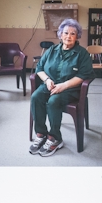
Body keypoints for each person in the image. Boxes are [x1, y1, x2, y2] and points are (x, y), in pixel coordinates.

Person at [29, 19, 95, 157]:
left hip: (70, 89)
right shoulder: (52, 50)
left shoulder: (82, 54)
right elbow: (39, 68)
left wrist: (63, 85)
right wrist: (47, 80)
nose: (69, 36)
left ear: (77, 36)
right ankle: (41, 133)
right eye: (66, 33)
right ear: (60, 34)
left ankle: (55, 138)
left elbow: (83, 75)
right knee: (36, 97)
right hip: (50, 85)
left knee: (54, 101)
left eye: (73, 33)